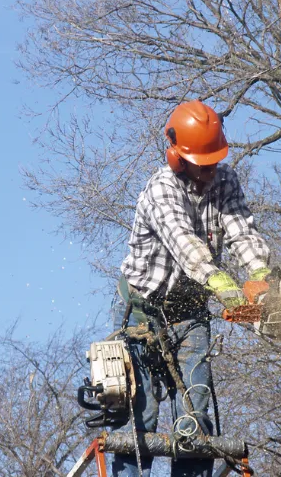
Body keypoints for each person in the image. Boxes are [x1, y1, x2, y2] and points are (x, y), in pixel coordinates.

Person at [112, 100, 271, 477]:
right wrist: (227, 288)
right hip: (143, 312)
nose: (210, 171)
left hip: (191, 313)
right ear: (177, 157)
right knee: (141, 414)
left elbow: (241, 230)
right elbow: (186, 245)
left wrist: (262, 277)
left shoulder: (226, 180)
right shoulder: (162, 190)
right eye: (203, 164)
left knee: (196, 416)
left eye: (214, 162)